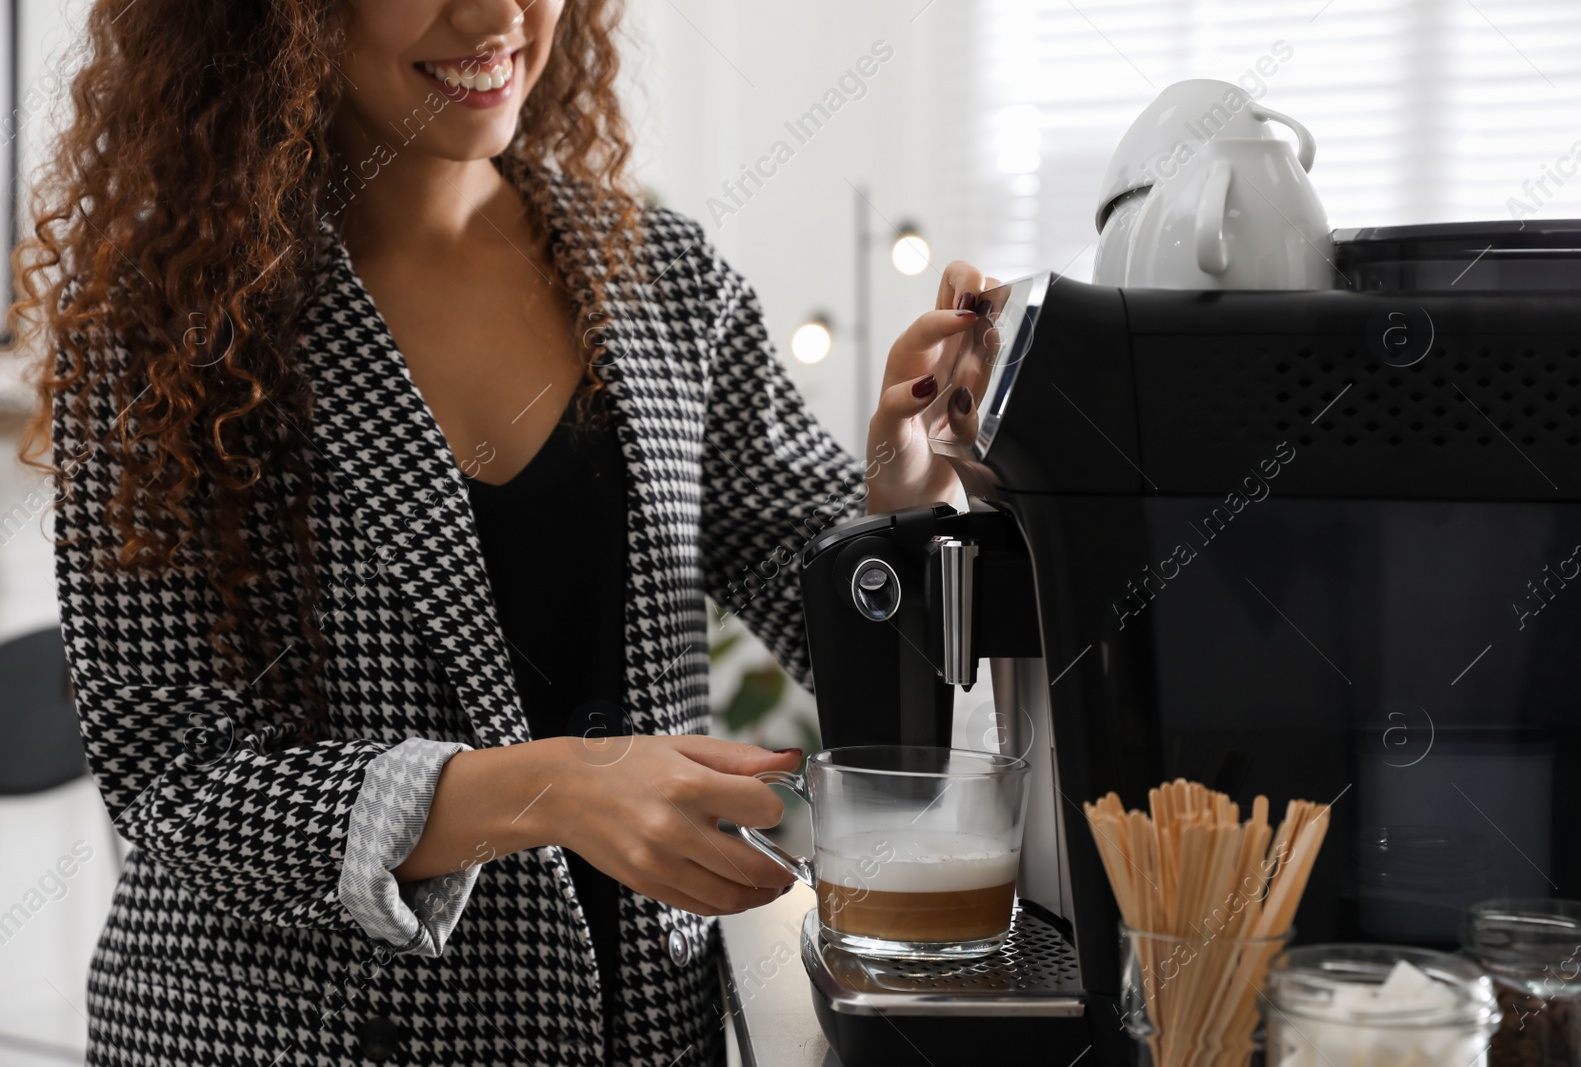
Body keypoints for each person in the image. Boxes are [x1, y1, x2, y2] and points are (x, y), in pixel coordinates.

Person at [12, 1, 995, 1064]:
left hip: (636, 1028)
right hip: (291, 1035)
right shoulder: (167, 322)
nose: (492, 15)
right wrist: (552, 786)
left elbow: (837, 608)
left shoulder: (660, 275)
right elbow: (179, 779)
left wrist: (902, 490)